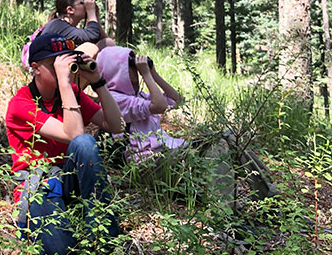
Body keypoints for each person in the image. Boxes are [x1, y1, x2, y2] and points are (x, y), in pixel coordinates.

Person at [96, 46, 279, 200]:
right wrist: (146, 75)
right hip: (149, 164)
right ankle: (225, 217)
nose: (135, 73)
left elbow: (176, 100)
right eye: (130, 69)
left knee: (231, 139)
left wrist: (153, 73)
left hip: (167, 153)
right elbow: (159, 106)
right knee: (219, 145)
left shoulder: (138, 95)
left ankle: (270, 197)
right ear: (116, 71)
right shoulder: (114, 99)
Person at [5, 33, 123, 255]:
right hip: (40, 185)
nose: (65, 69)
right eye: (55, 64)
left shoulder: (70, 94)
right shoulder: (21, 104)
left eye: (67, 62)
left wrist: (98, 82)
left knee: (86, 144)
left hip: (70, 180)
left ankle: (107, 241)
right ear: (36, 68)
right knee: (61, 252)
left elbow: (116, 125)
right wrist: (65, 82)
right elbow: (73, 133)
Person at [40, 0, 115, 58]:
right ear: (70, 10)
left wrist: (96, 17)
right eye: (82, 2)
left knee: (108, 43)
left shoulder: (68, 28)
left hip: (64, 65)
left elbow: (105, 44)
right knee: (90, 47)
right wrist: (91, 11)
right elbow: (92, 35)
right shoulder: (57, 24)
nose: (86, 5)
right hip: (50, 69)